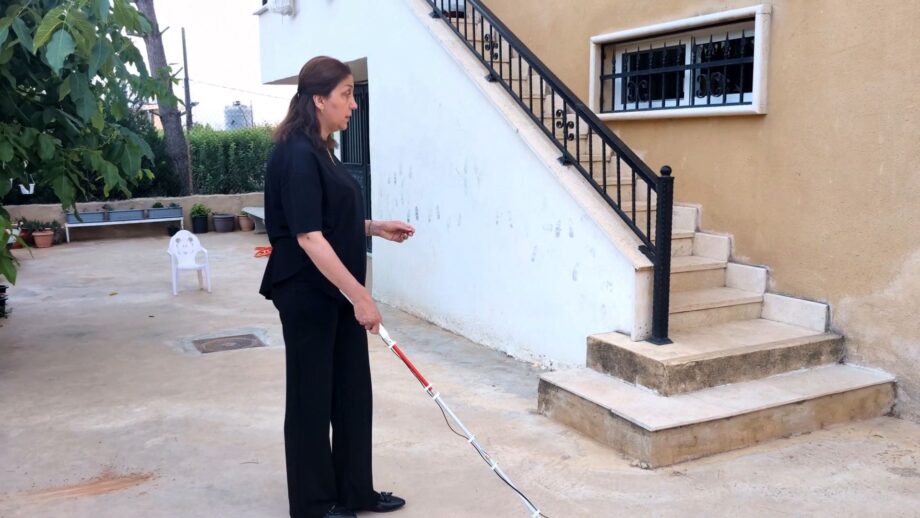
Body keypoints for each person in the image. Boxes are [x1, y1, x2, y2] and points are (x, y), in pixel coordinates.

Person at [260, 56, 415, 518]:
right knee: (311, 397)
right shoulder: (294, 153)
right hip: (308, 294)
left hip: (336, 293)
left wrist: (371, 226)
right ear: (319, 99)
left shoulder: (321, 148)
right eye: (346, 94)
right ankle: (314, 503)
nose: (353, 104)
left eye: (352, 94)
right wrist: (361, 295)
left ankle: (355, 492)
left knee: (350, 392)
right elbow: (306, 237)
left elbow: (325, 220)